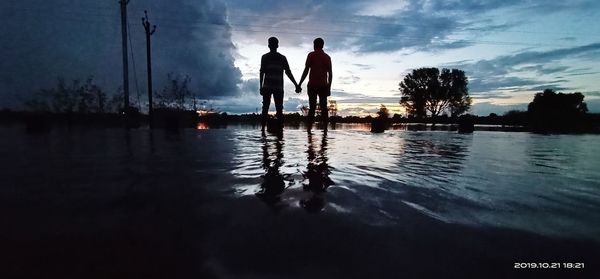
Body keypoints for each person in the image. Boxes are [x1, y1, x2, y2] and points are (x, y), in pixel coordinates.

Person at [259, 37, 299, 132]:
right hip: (277, 87)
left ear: (269, 45)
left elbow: (262, 73)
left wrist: (261, 86)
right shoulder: (281, 58)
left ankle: (263, 131)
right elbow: (288, 72)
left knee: (266, 108)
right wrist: (296, 85)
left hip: (270, 87)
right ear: (277, 45)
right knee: (278, 108)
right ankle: (279, 134)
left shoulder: (267, 57)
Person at [298, 38, 332, 129]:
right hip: (323, 86)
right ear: (322, 45)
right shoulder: (327, 57)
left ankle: (309, 130)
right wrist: (329, 87)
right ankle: (325, 130)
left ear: (314, 45)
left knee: (312, 108)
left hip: (312, 85)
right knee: (324, 108)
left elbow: (306, 71)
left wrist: (300, 83)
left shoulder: (311, 55)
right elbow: (330, 74)